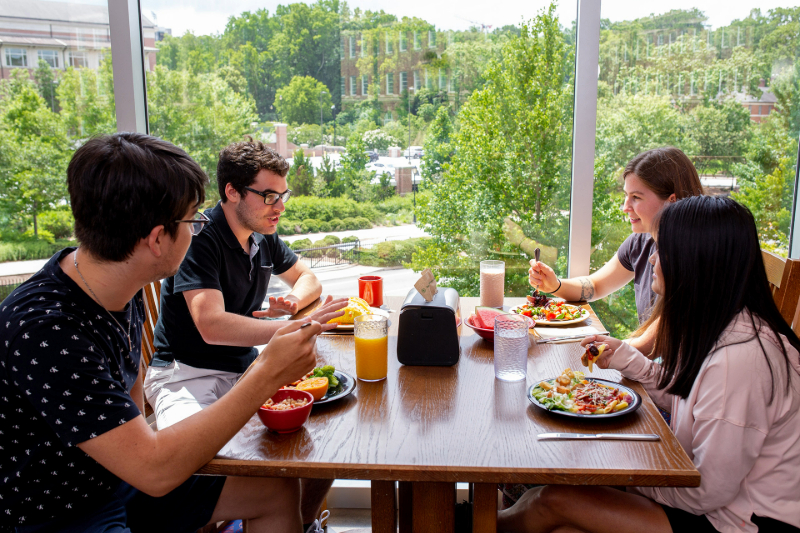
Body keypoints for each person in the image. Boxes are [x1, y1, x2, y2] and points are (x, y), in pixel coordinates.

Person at [0, 133, 344, 532]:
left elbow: (131, 389)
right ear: (157, 239)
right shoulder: (46, 329)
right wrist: (267, 373)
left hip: (114, 481)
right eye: (192, 220)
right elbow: (155, 472)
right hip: (54, 513)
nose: (199, 229)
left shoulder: (111, 283)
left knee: (274, 491)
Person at [499, 196, 800, 533]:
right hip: (711, 500)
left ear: (696, 262)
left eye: (663, 250)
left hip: (735, 521)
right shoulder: (722, 327)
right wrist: (632, 362)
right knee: (548, 502)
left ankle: (468, 523)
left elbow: (707, 491)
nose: (653, 259)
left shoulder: (742, 360)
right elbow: (691, 399)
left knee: (551, 500)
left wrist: (627, 478)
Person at [143, 138, 345, 529]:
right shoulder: (200, 236)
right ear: (232, 192)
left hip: (243, 370)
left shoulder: (262, 234)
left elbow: (308, 277)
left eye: (283, 195)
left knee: (330, 436)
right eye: (269, 196)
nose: (280, 207)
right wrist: (289, 327)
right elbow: (211, 324)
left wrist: (293, 302)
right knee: (199, 468)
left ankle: (300, 522)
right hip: (186, 375)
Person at [528, 147, 704, 353]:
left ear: (671, 201)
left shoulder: (690, 257)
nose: (625, 206)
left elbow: (650, 346)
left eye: (636, 197)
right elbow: (595, 285)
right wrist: (555, 285)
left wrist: (580, 349)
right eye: (626, 195)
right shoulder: (640, 242)